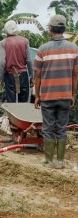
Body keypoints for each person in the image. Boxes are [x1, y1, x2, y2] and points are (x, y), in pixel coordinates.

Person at [33, 14, 78, 169]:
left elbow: (37, 75)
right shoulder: (74, 49)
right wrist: (72, 95)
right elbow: (75, 74)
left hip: (47, 96)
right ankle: (60, 161)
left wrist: (37, 96)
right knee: (61, 129)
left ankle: (48, 160)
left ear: (50, 29)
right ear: (64, 29)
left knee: (48, 128)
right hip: (65, 96)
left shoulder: (42, 49)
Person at [0, 20, 33, 103]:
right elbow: (29, 60)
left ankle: (11, 112)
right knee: (23, 102)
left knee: (11, 102)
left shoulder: (3, 42)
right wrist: (32, 76)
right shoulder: (25, 41)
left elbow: (2, 62)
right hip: (23, 75)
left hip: (10, 76)